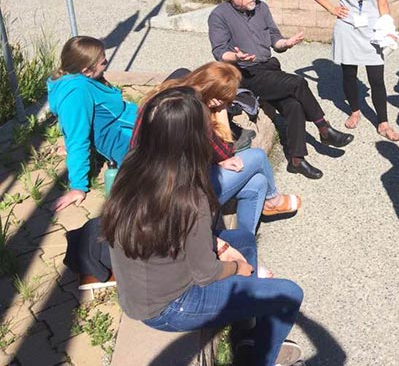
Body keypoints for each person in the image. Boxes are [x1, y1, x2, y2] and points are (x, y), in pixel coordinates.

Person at [103, 87, 304, 366]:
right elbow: (205, 273)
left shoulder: (133, 165)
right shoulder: (188, 196)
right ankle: (260, 359)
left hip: (145, 287)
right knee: (289, 294)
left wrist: (220, 245)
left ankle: (244, 334)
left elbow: (181, 236)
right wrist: (239, 269)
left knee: (243, 239)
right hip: (172, 306)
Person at [208, 0, 354, 180]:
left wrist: (286, 43)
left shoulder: (261, 8)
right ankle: (324, 128)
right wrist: (237, 57)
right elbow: (220, 52)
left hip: (269, 68)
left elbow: (274, 39)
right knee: (297, 83)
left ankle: (296, 160)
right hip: (245, 74)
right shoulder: (219, 15)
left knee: (294, 106)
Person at [142, 62, 301, 232]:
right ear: (214, 96)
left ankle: (244, 242)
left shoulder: (169, 89)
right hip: (183, 192)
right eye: (225, 99)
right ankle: (272, 200)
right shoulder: (195, 113)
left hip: (154, 179)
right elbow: (225, 152)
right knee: (257, 156)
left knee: (258, 183)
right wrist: (221, 110)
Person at [308, 0, 399, 141]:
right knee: (349, 74)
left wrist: (389, 29)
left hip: (371, 31)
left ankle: (384, 122)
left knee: (376, 78)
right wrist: (332, 9)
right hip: (347, 29)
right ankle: (355, 110)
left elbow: (383, 3)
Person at [48, 36, 137, 212]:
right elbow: (77, 138)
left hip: (137, 123)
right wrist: (78, 187)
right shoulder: (76, 93)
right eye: (103, 62)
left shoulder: (77, 80)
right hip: (129, 140)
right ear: (86, 70)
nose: (107, 63)